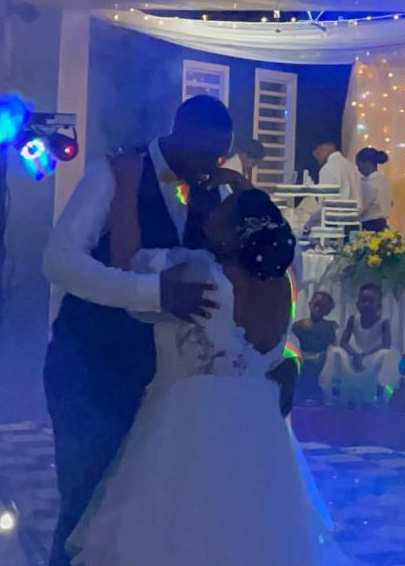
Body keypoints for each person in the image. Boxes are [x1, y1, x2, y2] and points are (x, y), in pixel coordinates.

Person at [66, 188, 348, 566]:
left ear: (234, 233)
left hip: (190, 421)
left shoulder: (199, 273)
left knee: (176, 533)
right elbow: (281, 349)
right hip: (256, 423)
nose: (213, 205)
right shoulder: (283, 284)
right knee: (249, 531)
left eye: (224, 206)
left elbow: (125, 266)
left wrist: (125, 190)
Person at [41, 95, 263, 566]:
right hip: (93, 367)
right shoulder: (116, 172)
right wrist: (150, 293)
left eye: (219, 156)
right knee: (85, 506)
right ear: (178, 130)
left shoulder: (214, 193)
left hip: (168, 386)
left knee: (145, 518)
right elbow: (58, 261)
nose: (210, 165)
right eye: (204, 153)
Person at [320, 283, 401, 406]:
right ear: (357, 303)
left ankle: (382, 396)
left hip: (373, 356)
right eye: (363, 301)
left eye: (371, 301)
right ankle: (329, 395)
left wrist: (364, 355)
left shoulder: (383, 322)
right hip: (354, 354)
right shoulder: (353, 319)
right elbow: (343, 342)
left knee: (387, 354)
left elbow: (385, 344)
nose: (366, 305)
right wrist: (355, 354)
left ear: (378, 305)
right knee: (335, 351)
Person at [292, 291, 339, 406]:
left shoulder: (329, 327)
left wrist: (323, 356)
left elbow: (333, 346)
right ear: (310, 304)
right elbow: (293, 344)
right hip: (303, 359)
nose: (318, 309)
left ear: (327, 311)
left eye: (322, 308)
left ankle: (316, 394)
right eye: (316, 305)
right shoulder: (299, 326)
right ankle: (302, 394)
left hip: (322, 362)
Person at [304, 141, 362, 232]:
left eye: (317, 156)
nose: (318, 161)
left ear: (323, 148)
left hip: (334, 227)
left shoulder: (327, 169)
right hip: (354, 224)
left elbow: (325, 205)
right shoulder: (352, 167)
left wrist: (309, 224)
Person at [356, 147, 392, 232]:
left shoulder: (369, 184)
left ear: (367, 163)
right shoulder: (385, 181)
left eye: (359, 165)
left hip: (370, 226)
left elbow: (361, 207)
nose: (358, 169)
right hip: (383, 224)